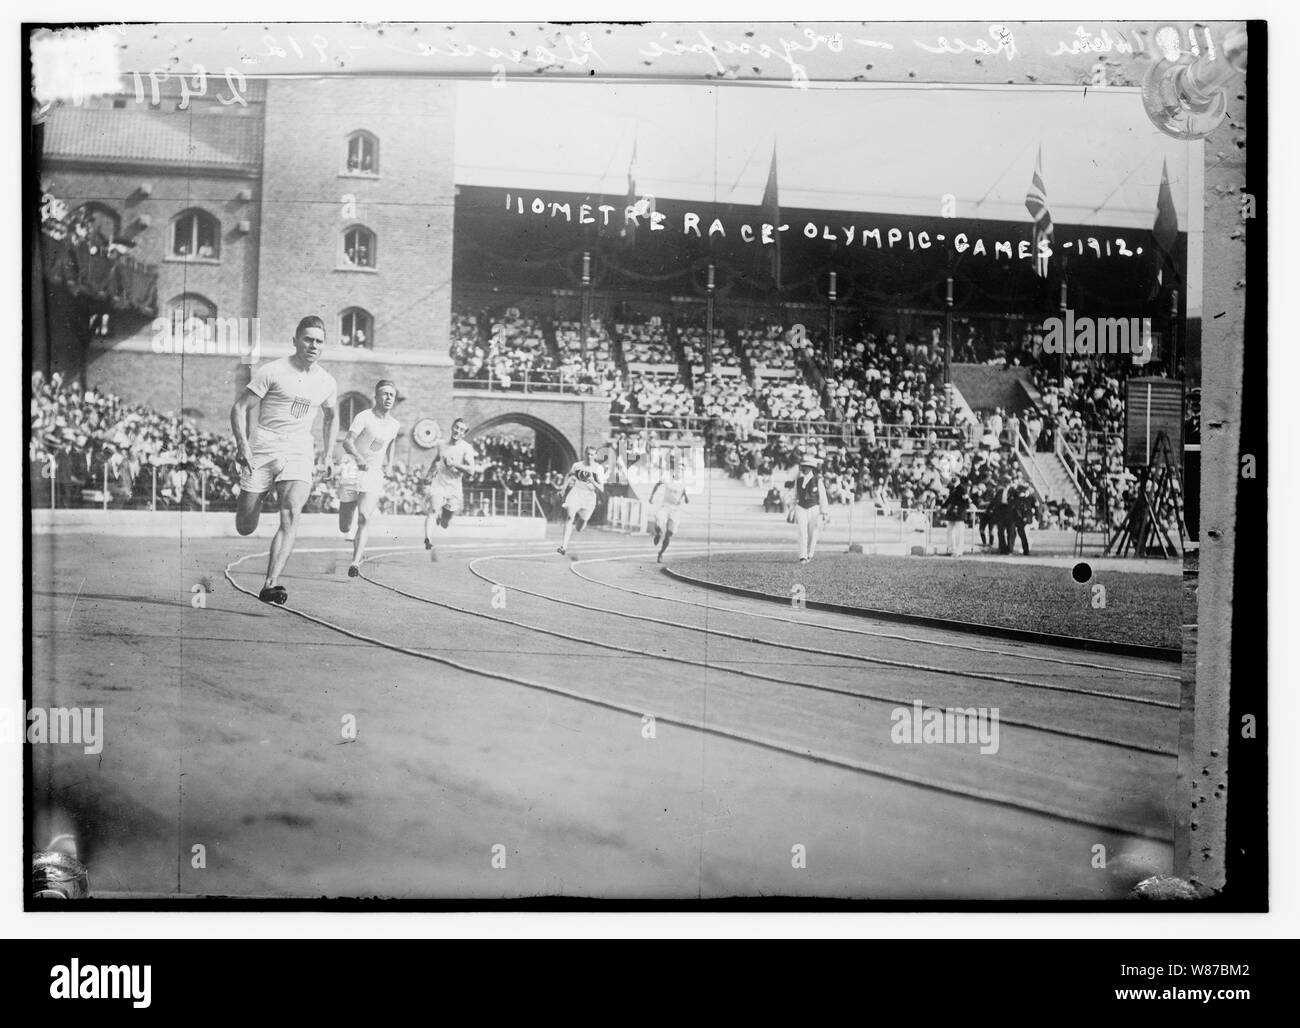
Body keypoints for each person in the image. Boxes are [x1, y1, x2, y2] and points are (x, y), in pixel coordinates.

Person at [230, 315, 338, 605]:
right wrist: (242, 444)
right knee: (245, 525)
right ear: (295, 340)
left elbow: (332, 416)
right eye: (308, 339)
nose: (313, 345)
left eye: (319, 341)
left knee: (291, 513)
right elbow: (239, 408)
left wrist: (327, 454)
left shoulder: (326, 381)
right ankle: (257, 494)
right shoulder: (273, 371)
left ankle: (270, 583)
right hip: (264, 444)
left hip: (299, 449)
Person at [338, 380, 401, 576]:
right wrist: (358, 458)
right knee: (345, 524)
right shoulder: (363, 417)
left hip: (373, 472)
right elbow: (347, 442)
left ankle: (355, 563)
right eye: (384, 394)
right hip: (352, 468)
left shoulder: (394, 424)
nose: (388, 398)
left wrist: (389, 463)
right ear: (376, 396)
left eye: (391, 394)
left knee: (365, 517)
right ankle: (346, 523)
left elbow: (391, 444)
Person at [423, 417, 476, 557]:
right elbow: (437, 459)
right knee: (433, 509)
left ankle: (443, 519)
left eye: (461, 430)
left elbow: (471, 470)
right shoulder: (441, 444)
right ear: (452, 427)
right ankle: (428, 539)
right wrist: (429, 474)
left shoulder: (466, 448)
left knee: (446, 521)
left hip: (454, 487)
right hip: (439, 482)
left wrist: (455, 464)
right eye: (456, 427)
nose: (457, 431)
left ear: (464, 434)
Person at [557, 445, 606, 556]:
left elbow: (601, 489)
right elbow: (569, 476)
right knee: (570, 517)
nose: (589, 456)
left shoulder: (599, 468)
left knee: (580, 526)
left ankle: (583, 520)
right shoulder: (577, 465)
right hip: (576, 492)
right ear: (584, 454)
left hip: (589, 497)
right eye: (587, 454)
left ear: (595, 456)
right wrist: (563, 488)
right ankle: (563, 547)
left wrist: (593, 481)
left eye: (592, 454)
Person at [648, 456, 689, 563]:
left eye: (681, 469)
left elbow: (685, 494)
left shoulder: (684, 482)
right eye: (678, 469)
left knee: (669, 534)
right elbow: (657, 485)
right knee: (659, 525)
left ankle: (661, 553)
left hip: (675, 510)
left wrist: (686, 498)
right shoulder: (667, 478)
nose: (679, 471)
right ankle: (658, 533)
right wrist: (652, 496)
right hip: (665, 506)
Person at [791, 454, 829, 564]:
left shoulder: (817, 480)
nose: (805, 468)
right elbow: (794, 496)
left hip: (814, 508)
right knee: (802, 532)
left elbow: (823, 497)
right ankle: (803, 555)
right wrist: (792, 510)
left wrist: (824, 512)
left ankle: (810, 554)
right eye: (803, 466)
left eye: (807, 466)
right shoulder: (798, 481)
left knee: (813, 533)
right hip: (801, 508)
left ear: (811, 468)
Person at [942, 476, 970, 557]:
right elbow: (949, 500)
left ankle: (959, 550)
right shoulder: (952, 488)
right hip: (952, 512)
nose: (953, 479)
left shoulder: (961, 488)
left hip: (959, 512)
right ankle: (951, 549)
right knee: (950, 531)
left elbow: (966, 500)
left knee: (959, 532)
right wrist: (942, 506)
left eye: (955, 478)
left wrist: (960, 508)